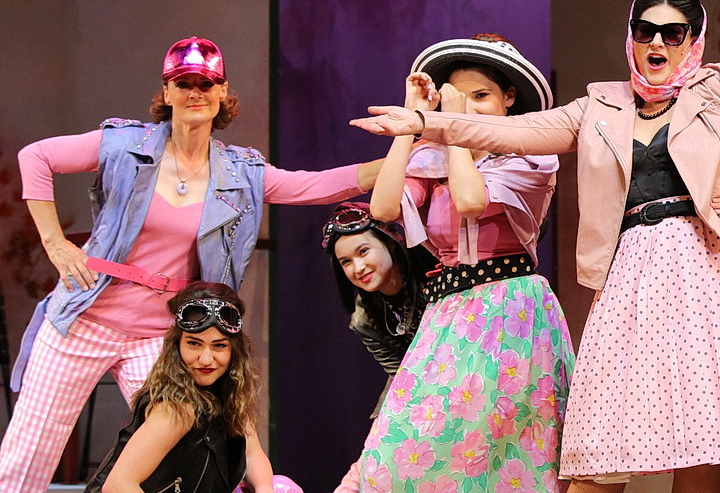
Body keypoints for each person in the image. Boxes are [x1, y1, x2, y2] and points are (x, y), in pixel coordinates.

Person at [350, 0, 720, 492]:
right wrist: (424, 122)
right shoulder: (600, 104)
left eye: (673, 33)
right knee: (601, 438)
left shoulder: (718, 85)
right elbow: (516, 132)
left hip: (715, 265)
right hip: (636, 267)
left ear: (693, 40)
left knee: (704, 440)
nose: (657, 43)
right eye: (645, 31)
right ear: (632, 37)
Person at [2, 36, 379, 492]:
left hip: (161, 337)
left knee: (190, 447)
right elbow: (36, 156)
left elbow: (316, 186)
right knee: (25, 460)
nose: (195, 93)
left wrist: (408, 155)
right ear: (167, 92)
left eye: (206, 84)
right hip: (86, 320)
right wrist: (55, 242)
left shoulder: (239, 172)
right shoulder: (124, 145)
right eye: (183, 83)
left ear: (223, 92)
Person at [351, 33, 575, 492]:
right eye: (459, 98)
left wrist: (452, 126)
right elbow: (383, 208)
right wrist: (411, 125)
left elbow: (471, 200)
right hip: (448, 315)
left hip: (510, 311)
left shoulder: (531, 155)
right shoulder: (432, 158)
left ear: (509, 98)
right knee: (400, 455)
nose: (469, 108)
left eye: (481, 96)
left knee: (505, 457)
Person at [84, 281, 291, 493]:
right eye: (194, 343)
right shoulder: (175, 409)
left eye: (219, 346)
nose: (206, 359)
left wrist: (265, 489)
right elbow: (118, 485)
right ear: (177, 345)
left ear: (235, 351)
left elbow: (251, 453)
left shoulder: (230, 393)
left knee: (283, 487)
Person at [321, 201, 437, 491]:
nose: (358, 267)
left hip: (465, 376)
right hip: (415, 394)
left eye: (363, 251)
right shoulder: (364, 318)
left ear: (391, 243)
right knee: (376, 456)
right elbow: (401, 377)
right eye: (346, 262)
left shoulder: (438, 278)